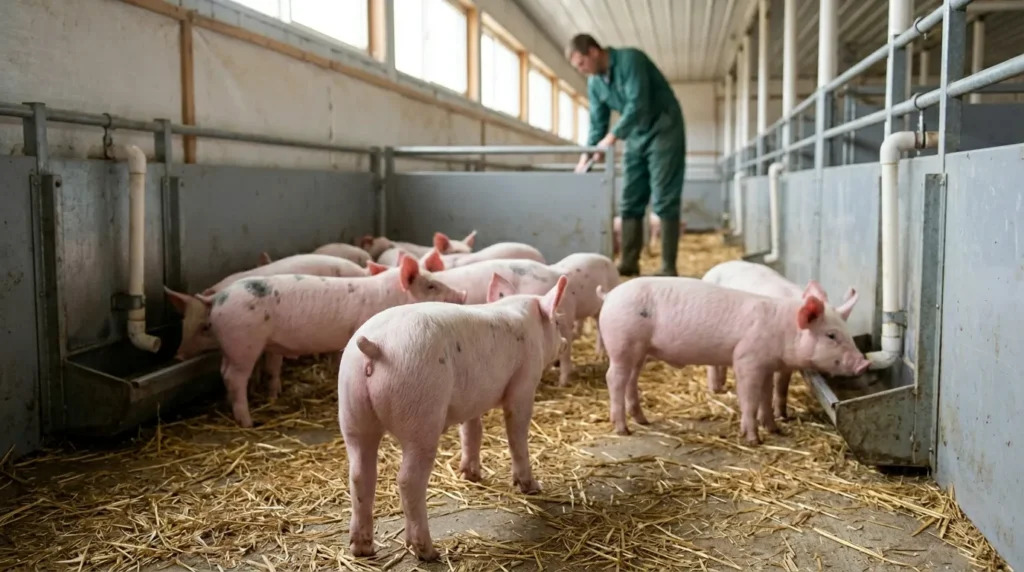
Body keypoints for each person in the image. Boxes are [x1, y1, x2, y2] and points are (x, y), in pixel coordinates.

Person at [567, 33, 687, 277]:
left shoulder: (631, 60)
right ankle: (629, 262)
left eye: (581, 63)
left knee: (664, 196)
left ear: (593, 51)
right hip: (635, 134)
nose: (581, 70)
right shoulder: (595, 83)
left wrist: (611, 138)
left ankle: (667, 266)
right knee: (630, 197)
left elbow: (638, 103)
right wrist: (587, 155)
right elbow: (597, 123)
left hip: (664, 127)